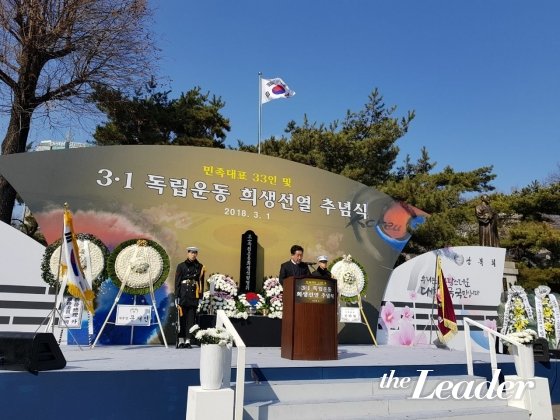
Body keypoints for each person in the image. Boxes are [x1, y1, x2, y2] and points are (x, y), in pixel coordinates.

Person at [174, 246, 205, 349]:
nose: (193, 255)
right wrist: (176, 296)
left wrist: (200, 297)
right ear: (188, 253)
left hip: (193, 295)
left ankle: (188, 340)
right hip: (183, 294)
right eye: (191, 253)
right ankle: (181, 340)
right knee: (181, 318)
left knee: (191, 319)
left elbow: (201, 282)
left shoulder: (200, 266)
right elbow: (177, 282)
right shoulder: (181, 266)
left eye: (195, 253)